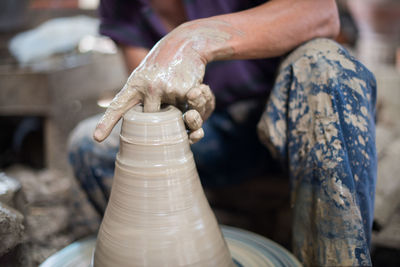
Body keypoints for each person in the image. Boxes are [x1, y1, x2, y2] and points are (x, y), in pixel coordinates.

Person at [68, 0, 377, 266]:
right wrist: (186, 103)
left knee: (324, 65)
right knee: (91, 145)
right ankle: (219, 230)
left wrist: (191, 40)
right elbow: (153, 93)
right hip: (210, 130)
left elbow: (319, 12)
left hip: (285, 116)